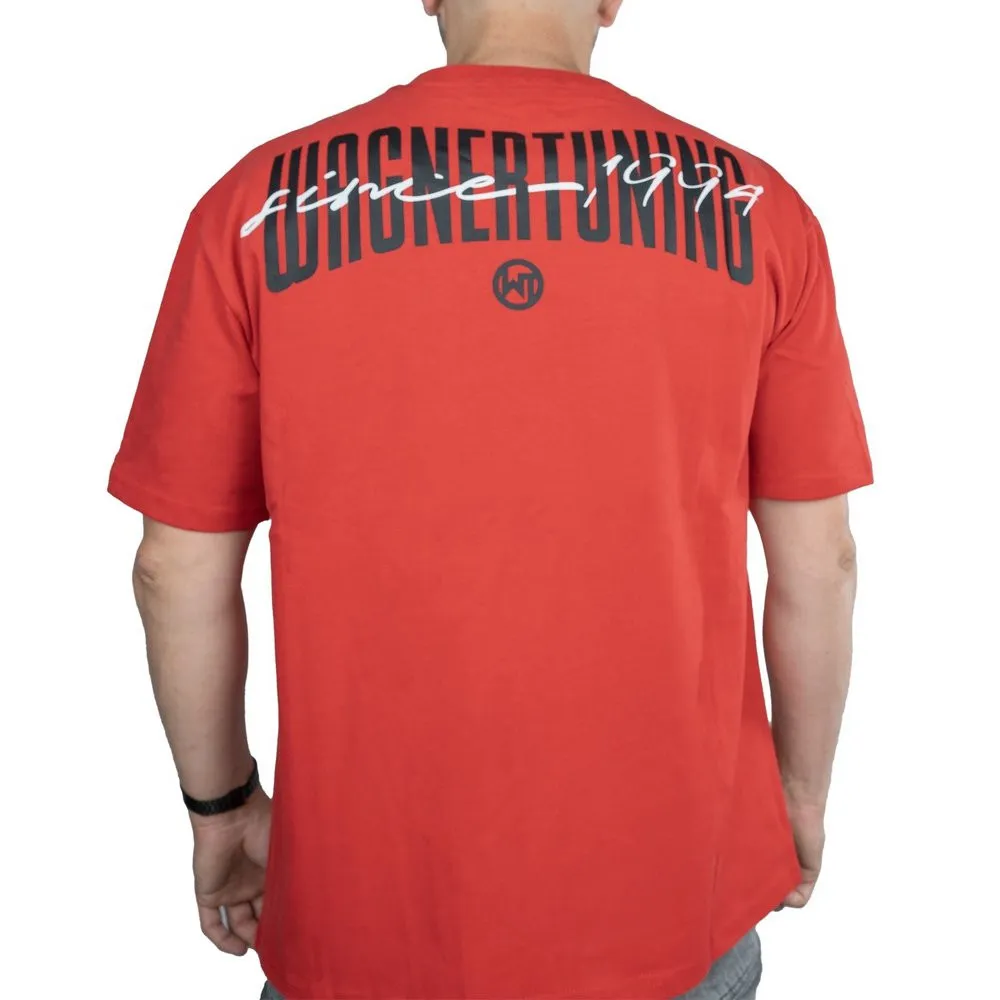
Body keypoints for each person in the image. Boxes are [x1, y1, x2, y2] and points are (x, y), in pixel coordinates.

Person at [108, 1, 873, 997]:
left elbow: (173, 567)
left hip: (364, 918)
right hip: (672, 900)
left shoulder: (253, 208)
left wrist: (221, 808)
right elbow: (820, 564)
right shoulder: (755, 211)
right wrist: (799, 796)